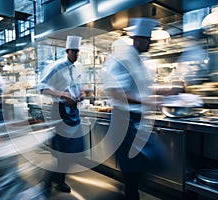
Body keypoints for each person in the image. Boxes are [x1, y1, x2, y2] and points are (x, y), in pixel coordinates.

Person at [101, 18, 168, 200]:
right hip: (125, 122)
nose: (150, 43)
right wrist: (147, 102)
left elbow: (140, 88)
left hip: (136, 122)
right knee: (133, 170)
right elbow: (114, 91)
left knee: (142, 166)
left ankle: (130, 192)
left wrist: (166, 91)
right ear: (138, 38)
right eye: (148, 39)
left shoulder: (137, 59)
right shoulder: (123, 57)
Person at [37, 35, 86, 194]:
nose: (76, 54)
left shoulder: (78, 67)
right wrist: (63, 95)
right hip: (60, 112)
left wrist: (82, 94)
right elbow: (42, 88)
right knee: (63, 151)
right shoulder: (56, 66)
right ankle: (49, 181)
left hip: (74, 112)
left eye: (78, 51)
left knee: (74, 150)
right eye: (74, 51)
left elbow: (79, 87)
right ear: (67, 51)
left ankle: (59, 180)